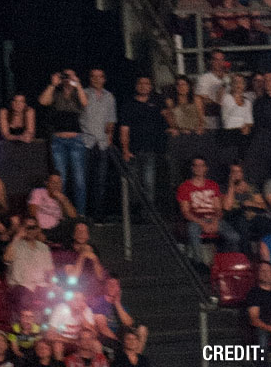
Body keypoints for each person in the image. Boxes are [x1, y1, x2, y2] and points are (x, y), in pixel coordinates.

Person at [37, 69, 88, 214]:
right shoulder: (56, 93)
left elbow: (85, 103)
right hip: (58, 140)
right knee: (61, 180)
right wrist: (53, 84)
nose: (67, 78)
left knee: (79, 181)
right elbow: (42, 101)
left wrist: (77, 83)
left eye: (69, 76)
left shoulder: (78, 93)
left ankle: (80, 215)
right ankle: (60, 214)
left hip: (75, 140)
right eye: (65, 75)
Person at [176, 157, 240, 265]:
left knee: (234, 237)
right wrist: (203, 223)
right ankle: (198, 263)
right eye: (196, 165)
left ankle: (224, 263)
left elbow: (218, 208)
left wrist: (214, 221)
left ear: (206, 168)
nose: (199, 168)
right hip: (196, 220)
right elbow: (186, 212)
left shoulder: (212, 185)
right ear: (192, 168)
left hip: (212, 218)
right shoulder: (184, 187)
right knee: (192, 230)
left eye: (202, 165)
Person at [119, 76, 167, 206]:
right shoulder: (129, 105)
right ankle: (135, 211)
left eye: (146, 83)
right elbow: (124, 129)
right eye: (140, 83)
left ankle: (148, 212)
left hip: (151, 149)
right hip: (133, 149)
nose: (143, 86)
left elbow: (167, 120)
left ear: (150, 87)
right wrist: (125, 150)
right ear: (136, 86)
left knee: (149, 183)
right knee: (133, 183)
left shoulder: (157, 103)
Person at [80, 68, 117, 223]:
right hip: (86, 141)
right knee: (84, 180)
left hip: (102, 143)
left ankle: (98, 215)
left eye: (99, 76)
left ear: (104, 79)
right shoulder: (83, 93)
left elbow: (111, 119)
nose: (96, 79)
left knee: (100, 181)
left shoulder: (109, 97)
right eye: (93, 76)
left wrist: (109, 137)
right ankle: (83, 214)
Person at [3, 219, 54, 316]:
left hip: (40, 286)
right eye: (27, 227)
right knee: (24, 297)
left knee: (56, 296)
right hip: (19, 286)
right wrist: (17, 237)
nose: (30, 230)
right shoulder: (15, 245)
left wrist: (53, 285)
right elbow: (7, 258)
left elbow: (50, 271)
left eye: (33, 228)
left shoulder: (43, 248)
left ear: (38, 229)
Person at [92, 277, 147, 359]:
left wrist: (117, 303)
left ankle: (136, 360)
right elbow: (103, 328)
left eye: (115, 284)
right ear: (105, 286)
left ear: (119, 288)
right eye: (110, 284)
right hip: (106, 337)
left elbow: (129, 323)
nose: (112, 287)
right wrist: (118, 341)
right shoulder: (99, 302)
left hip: (120, 335)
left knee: (142, 329)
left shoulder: (120, 304)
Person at [27, 173, 77, 246]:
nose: (56, 185)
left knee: (81, 223)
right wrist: (38, 231)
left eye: (58, 183)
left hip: (56, 229)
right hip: (41, 228)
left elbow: (74, 217)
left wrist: (64, 200)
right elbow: (32, 212)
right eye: (53, 182)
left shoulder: (62, 197)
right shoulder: (39, 192)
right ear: (47, 183)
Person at [195, 50, 229, 131]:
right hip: (212, 121)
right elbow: (201, 100)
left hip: (228, 119)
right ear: (211, 61)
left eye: (221, 59)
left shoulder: (229, 78)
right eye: (216, 59)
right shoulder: (204, 78)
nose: (219, 62)